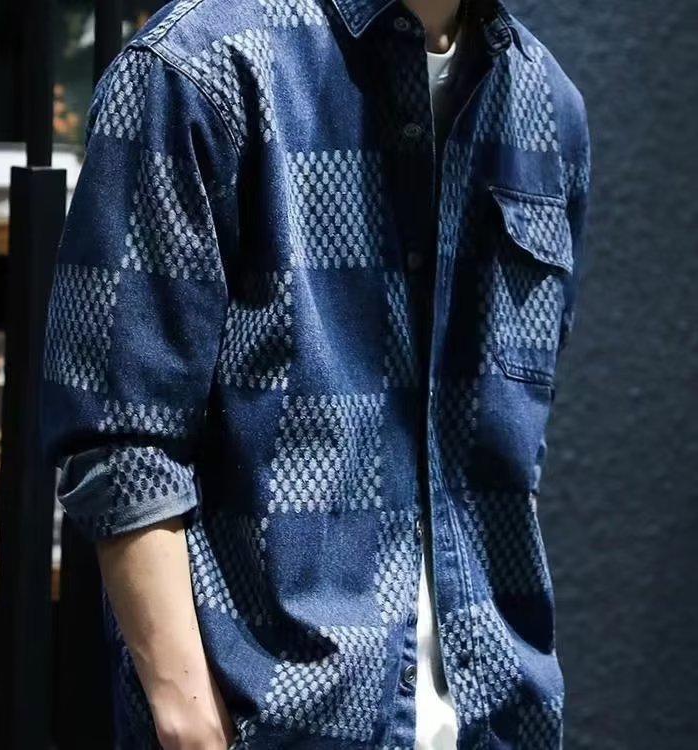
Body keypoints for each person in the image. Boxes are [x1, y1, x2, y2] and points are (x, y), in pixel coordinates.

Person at [40, 0, 591, 748]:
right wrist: (187, 715)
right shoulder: (202, 65)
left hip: (498, 719)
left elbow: (512, 442)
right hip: (276, 723)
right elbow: (120, 437)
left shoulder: (548, 106)